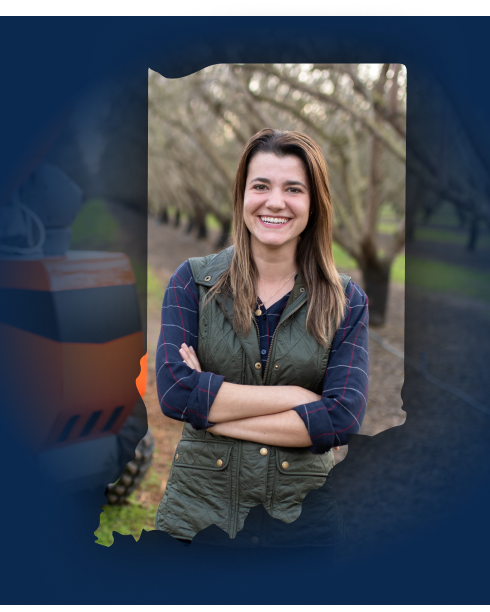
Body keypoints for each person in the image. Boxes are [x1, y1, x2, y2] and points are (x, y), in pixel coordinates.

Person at [154, 128, 369, 553]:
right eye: (261, 186)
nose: (275, 202)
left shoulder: (346, 300)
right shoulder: (192, 283)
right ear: (242, 195)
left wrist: (210, 414)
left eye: (293, 188)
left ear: (314, 203)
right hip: (197, 520)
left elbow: (342, 418)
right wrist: (297, 397)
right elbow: (176, 393)